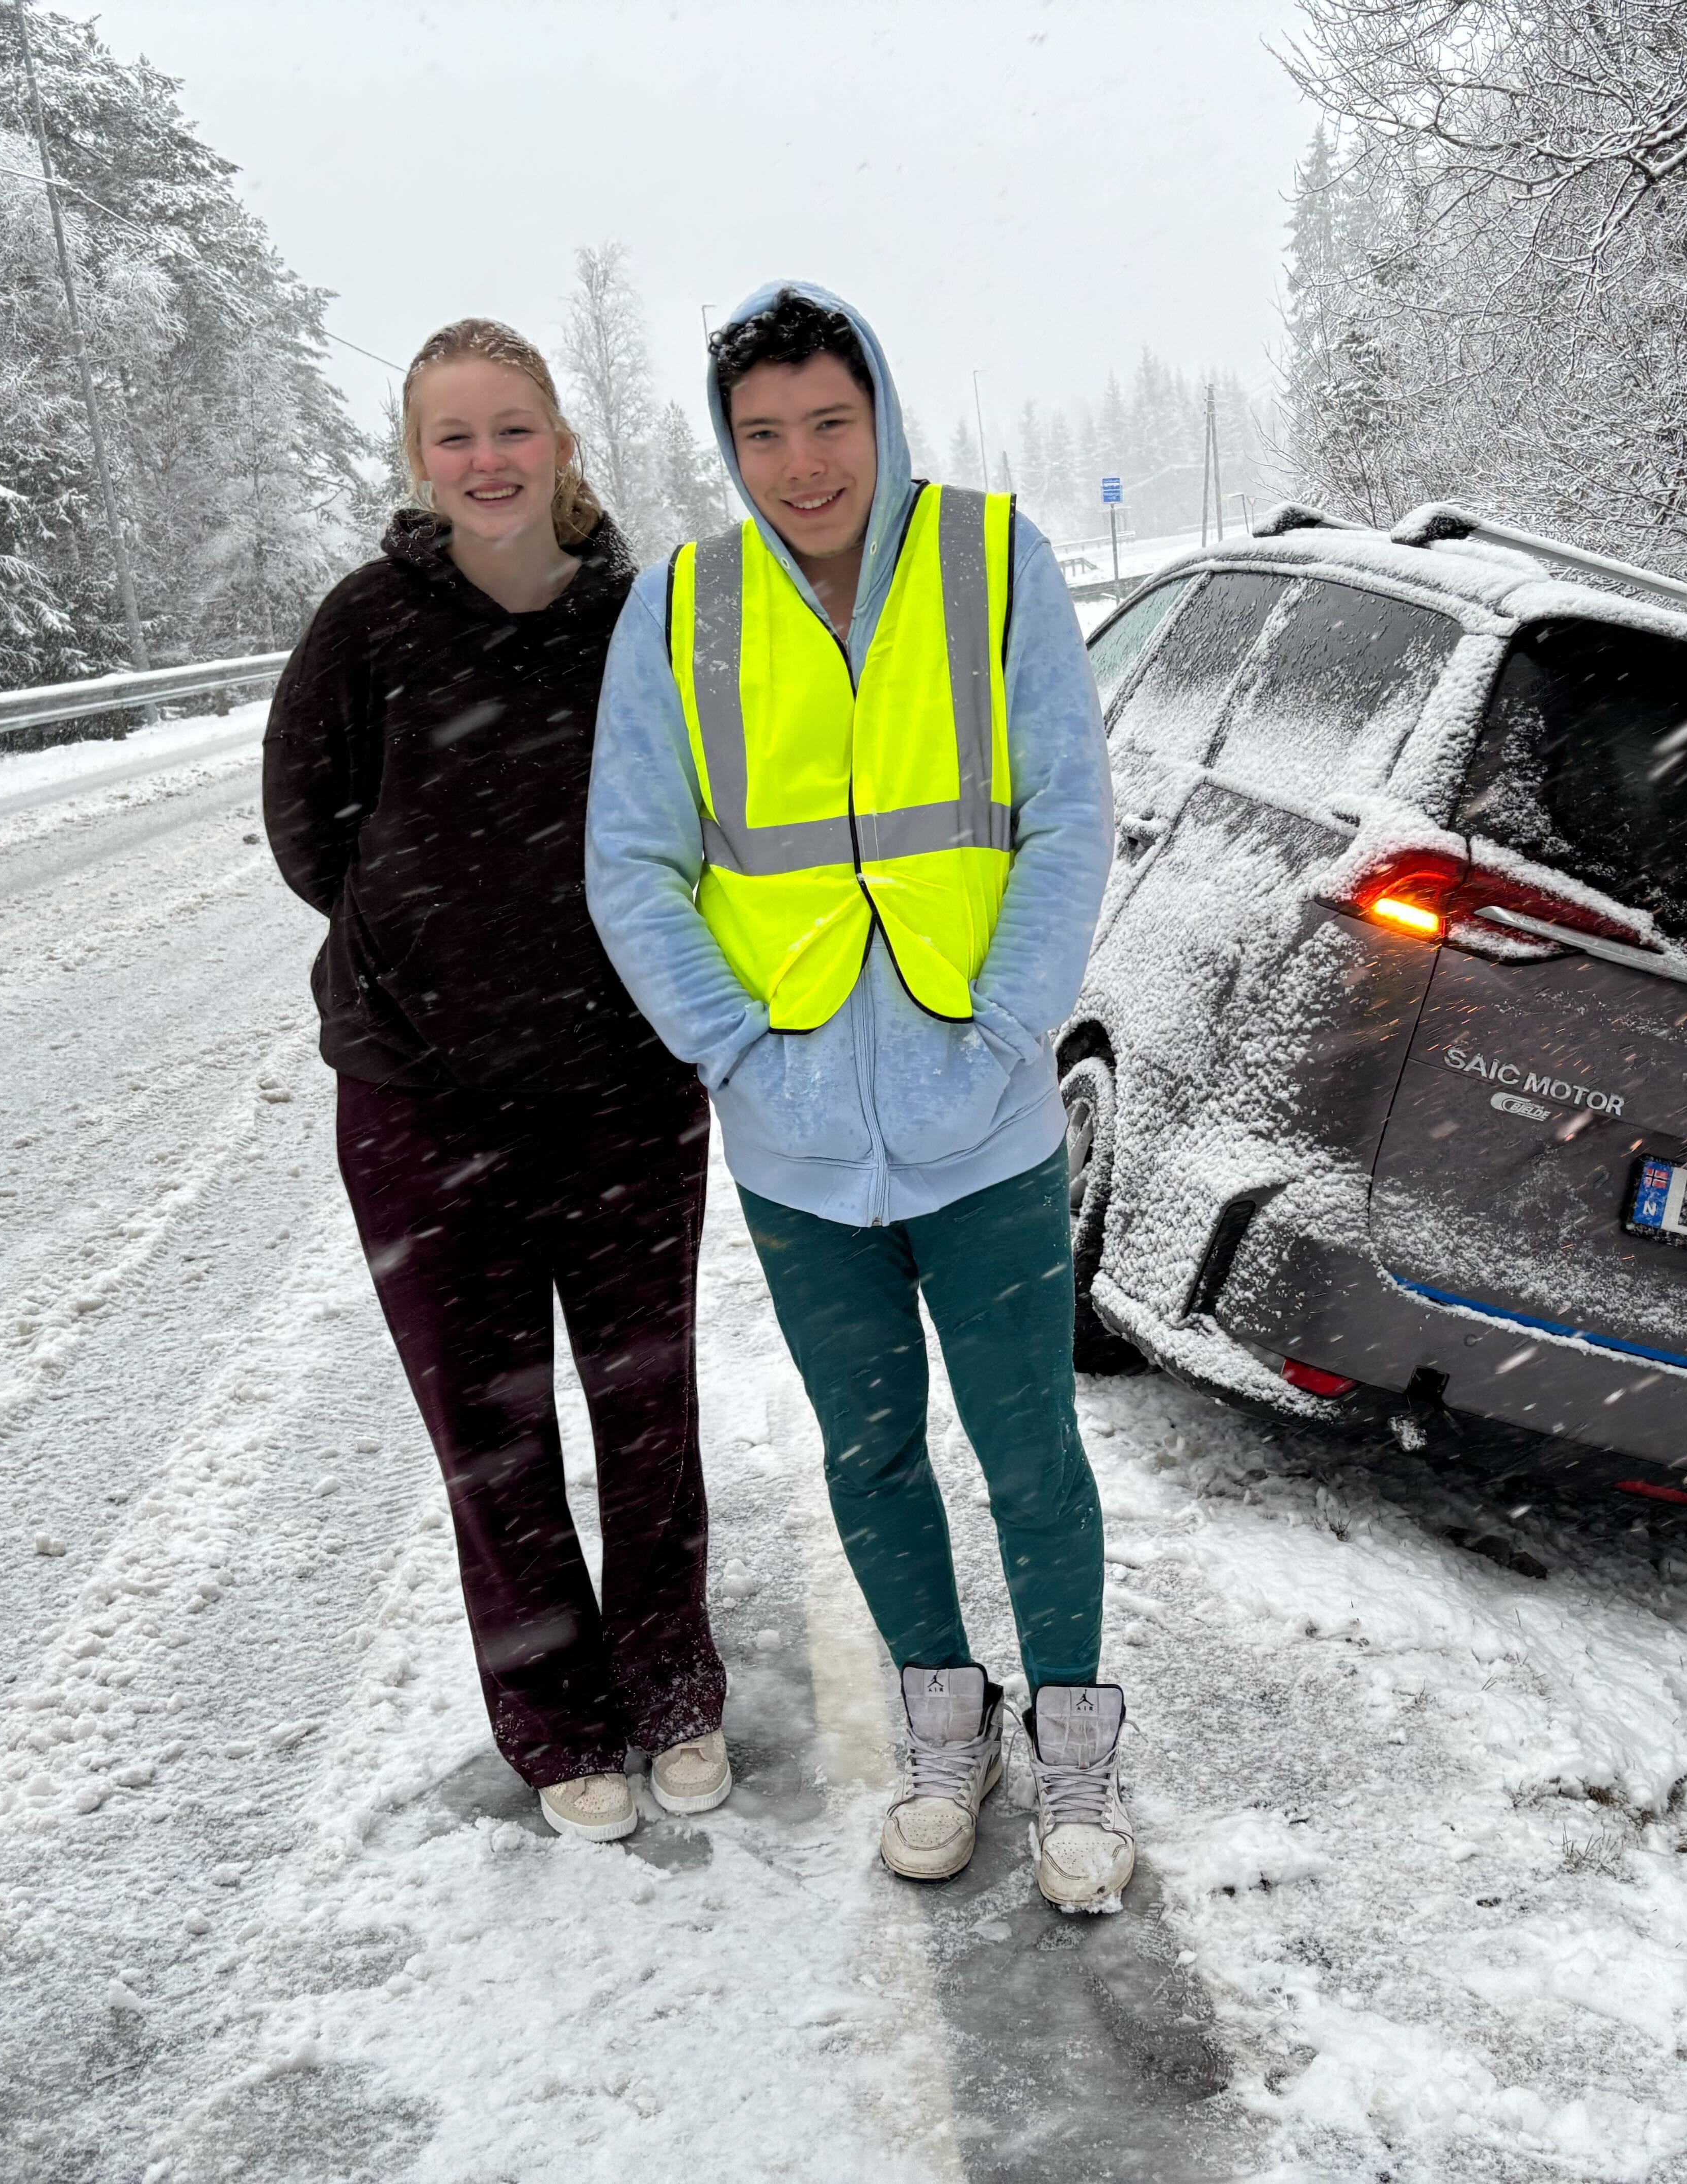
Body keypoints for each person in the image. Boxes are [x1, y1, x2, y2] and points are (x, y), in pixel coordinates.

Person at [584, 284, 1129, 1911]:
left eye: (831, 422)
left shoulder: (988, 558)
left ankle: (1082, 1755)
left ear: (880, 411)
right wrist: (745, 1053)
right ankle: (943, 1726)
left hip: (989, 1124)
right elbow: (634, 866)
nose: (803, 464)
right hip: (800, 1143)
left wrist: (1002, 1028)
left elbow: (1066, 816)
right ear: (729, 445)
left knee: (1031, 1450)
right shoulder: (682, 611)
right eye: (764, 434)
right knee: (873, 1450)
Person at [265, 320, 726, 1847]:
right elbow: (308, 840)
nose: (487, 460)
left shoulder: (643, 624)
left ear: (563, 442)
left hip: (625, 1085)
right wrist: (431, 951)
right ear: (417, 458)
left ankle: (672, 1685)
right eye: (454, 435)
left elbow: (711, 816)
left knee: (646, 1405)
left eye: (512, 428)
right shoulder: (364, 629)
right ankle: (558, 1716)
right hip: (422, 1101)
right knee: (493, 1428)